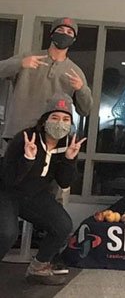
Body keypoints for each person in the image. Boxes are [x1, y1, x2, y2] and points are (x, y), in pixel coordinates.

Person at [0, 93, 86, 285]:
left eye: (65, 119)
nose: (60, 123)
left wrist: (70, 160)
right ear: (44, 119)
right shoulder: (25, 139)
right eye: (54, 118)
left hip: (35, 195)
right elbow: (8, 178)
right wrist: (28, 159)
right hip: (7, 192)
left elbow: (64, 182)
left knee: (63, 225)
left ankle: (39, 267)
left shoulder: (67, 144)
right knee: (7, 232)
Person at [0, 17, 93, 140]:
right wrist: (20, 64)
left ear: (74, 39)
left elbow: (85, 110)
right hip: (19, 133)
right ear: (52, 33)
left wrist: (81, 89)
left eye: (69, 32)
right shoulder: (29, 57)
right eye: (60, 30)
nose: (65, 34)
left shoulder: (75, 71)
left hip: (52, 137)